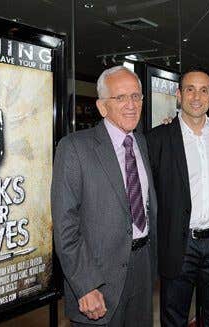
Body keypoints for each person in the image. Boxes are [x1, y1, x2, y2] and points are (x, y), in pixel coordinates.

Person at [51, 66, 157, 326]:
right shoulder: (75, 147)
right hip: (98, 278)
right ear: (101, 107)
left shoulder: (141, 143)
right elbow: (65, 225)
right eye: (120, 98)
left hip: (142, 269)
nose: (131, 105)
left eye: (136, 96)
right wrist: (85, 285)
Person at [147, 67, 209, 326]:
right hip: (179, 244)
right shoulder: (158, 139)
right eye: (190, 89)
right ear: (178, 95)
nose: (196, 96)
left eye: (203, 90)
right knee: (174, 318)